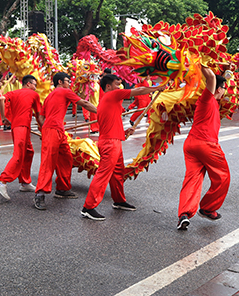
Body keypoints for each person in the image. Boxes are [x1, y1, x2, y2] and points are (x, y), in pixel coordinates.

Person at [81, 74, 166, 221]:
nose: (119, 87)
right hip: (109, 143)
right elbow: (139, 91)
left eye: (120, 84)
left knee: (118, 173)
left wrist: (125, 132)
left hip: (113, 141)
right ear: (108, 86)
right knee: (103, 174)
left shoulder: (107, 102)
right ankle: (88, 207)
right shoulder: (112, 95)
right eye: (117, 84)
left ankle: (119, 200)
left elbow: (111, 123)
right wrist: (158, 88)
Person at [33, 72, 97, 211]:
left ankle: (62, 188)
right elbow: (84, 103)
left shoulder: (50, 95)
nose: (70, 83)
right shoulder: (64, 91)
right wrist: (101, 112)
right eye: (68, 81)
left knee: (66, 158)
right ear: (61, 82)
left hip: (56, 130)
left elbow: (41, 117)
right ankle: (40, 194)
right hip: (53, 130)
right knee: (48, 161)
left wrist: (45, 128)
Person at [177, 66, 230, 231]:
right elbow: (212, 78)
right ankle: (208, 208)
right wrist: (199, 61)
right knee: (223, 177)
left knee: (192, 180)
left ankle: (183, 215)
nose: (224, 92)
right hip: (206, 145)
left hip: (191, 144)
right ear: (218, 89)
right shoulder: (207, 98)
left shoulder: (210, 102)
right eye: (224, 88)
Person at [0, 75, 43, 200]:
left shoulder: (13, 93)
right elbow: (39, 116)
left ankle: (25, 182)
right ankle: (2, 181)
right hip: (22, 127)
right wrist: (44, 130)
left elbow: (1, 98)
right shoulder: (33, 95)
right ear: (29, 84)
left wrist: (3, 118)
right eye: (35, 85)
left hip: (18, 127)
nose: (35, 88)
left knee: (29, 152)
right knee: (19, 155)